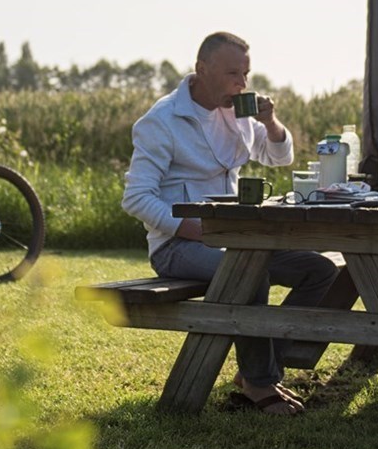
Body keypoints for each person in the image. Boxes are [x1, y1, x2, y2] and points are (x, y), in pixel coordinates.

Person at [122, 31, 338, 416]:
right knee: (250, 273)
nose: (242, 84)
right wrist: (198, 231)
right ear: (201, 69)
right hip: (177, 247)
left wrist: (269, 121)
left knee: (319, 270)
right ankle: (260, 382)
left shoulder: (238, 114)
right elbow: (136, 198)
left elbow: (278, 157)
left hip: (238, 240)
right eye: (232, 74)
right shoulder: (162, 121)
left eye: (246, 74)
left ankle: (259, 369)